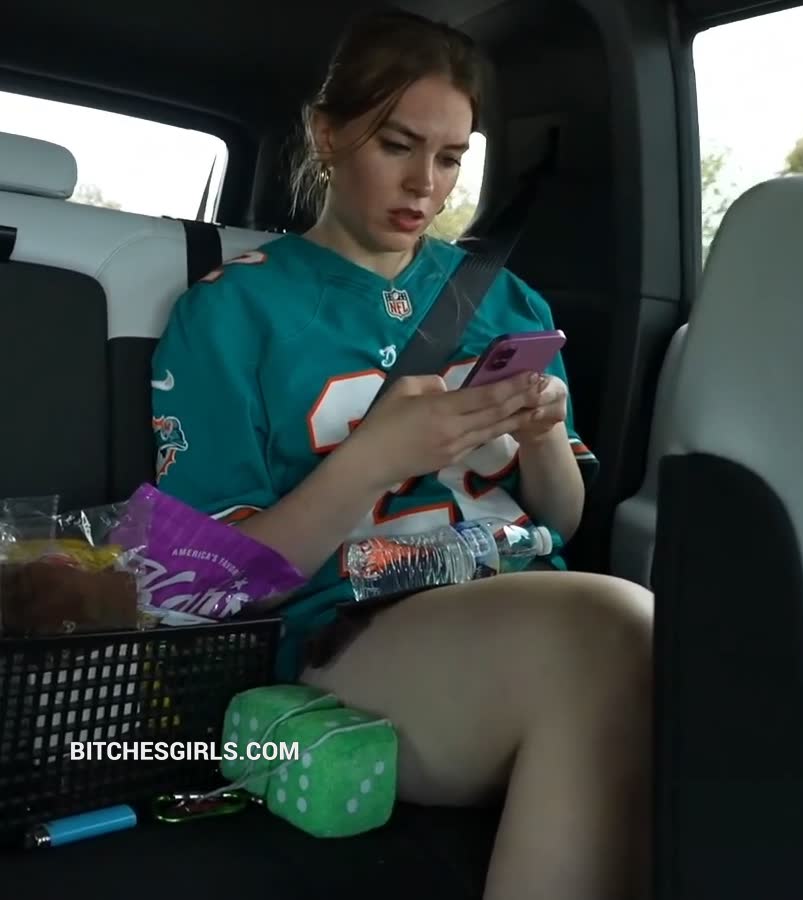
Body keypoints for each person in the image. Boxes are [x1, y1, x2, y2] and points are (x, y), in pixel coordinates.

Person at [151, 10, 653, 900]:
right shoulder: (228, 315)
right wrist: (375, 457)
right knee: (611, 630)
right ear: (327, 134)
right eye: (398, 145)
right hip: (352, 636)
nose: (427, 183)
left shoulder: (508, 300)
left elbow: (565, 519)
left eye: (453, 158)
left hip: (516, 595)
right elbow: (210, 588)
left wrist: (542, 432)